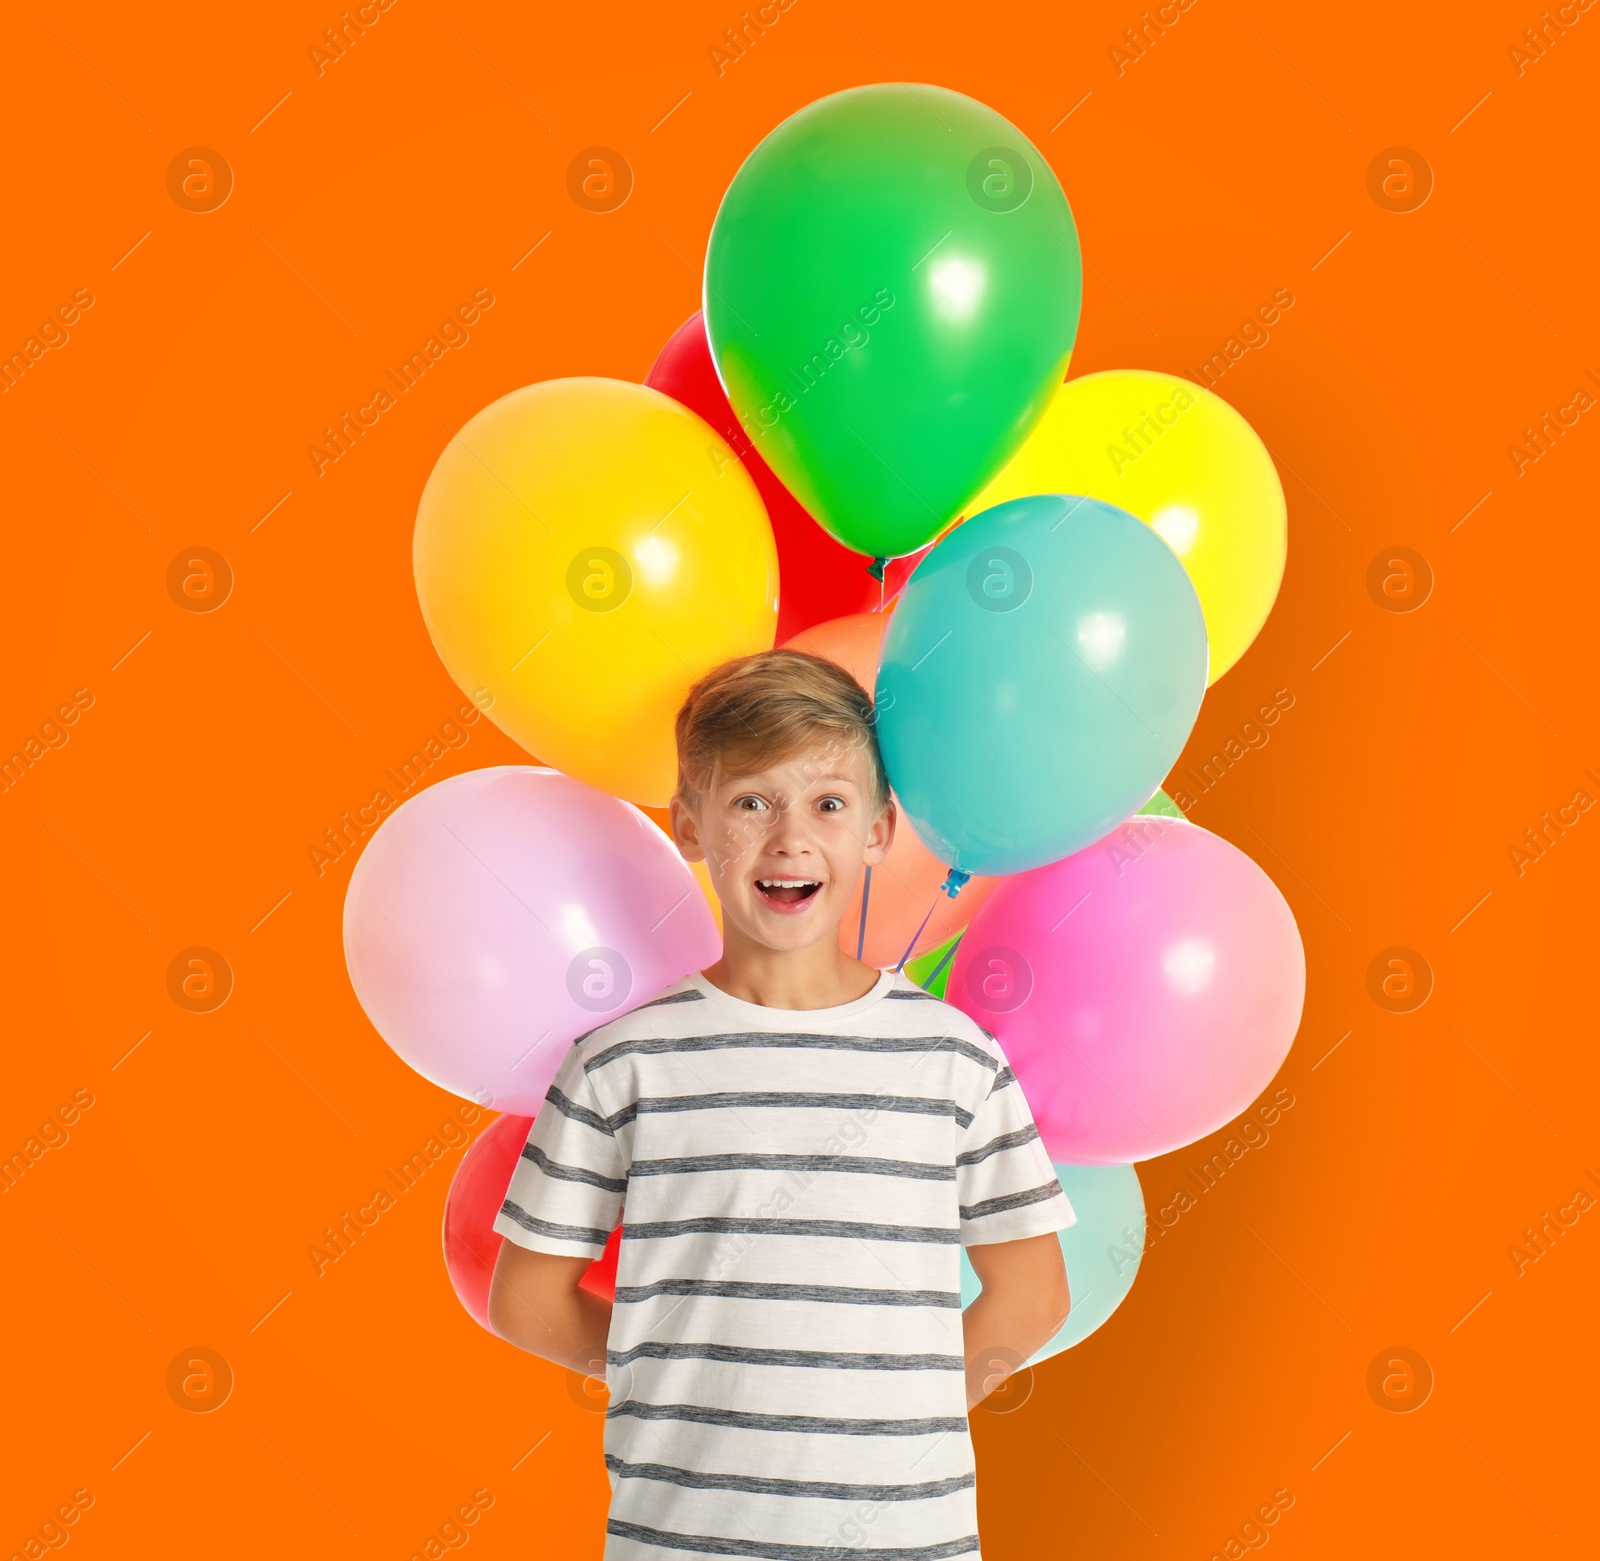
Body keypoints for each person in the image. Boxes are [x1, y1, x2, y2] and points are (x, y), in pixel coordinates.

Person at [488, 647, 1074, 1558]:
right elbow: (526, 1300)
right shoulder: (623, 1064)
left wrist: (884, 1409)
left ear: (879, 830)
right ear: (690, 823)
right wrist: (684, 1379)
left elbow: (1032, 1294)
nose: (789, 838)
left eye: (828, 804)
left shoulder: (951, 1060)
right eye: (750, 801)